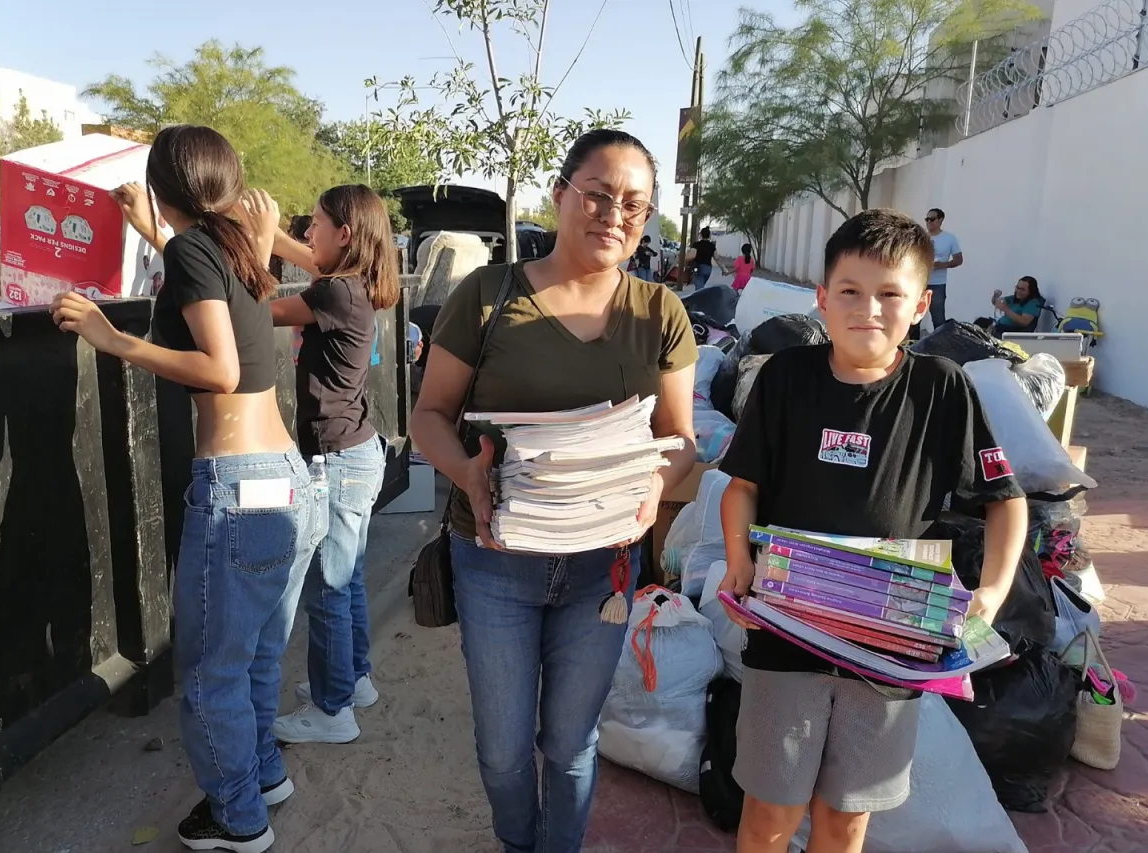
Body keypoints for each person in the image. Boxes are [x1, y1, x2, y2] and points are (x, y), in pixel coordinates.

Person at [410, 128, 697, 853]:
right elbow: (428, 416)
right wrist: (468, 472)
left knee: (571, 746)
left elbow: (682, 439)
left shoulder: (659, 313)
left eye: (634, 204)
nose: (613, 214)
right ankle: (519, 842)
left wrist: (653, 486)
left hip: (603, 571)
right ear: (561, 194)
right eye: (597, 195)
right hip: (496, 560)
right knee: (504, 750)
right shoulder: (488, 296)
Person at [717, 208, 1027, 853]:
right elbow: (742, 488)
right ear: (823, 298)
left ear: (920, 305)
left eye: (891, 294)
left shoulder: (942, 389)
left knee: (847, 819)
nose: (870, 310)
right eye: (851, 292)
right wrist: (737, 561)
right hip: (785, 632)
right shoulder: (784, 378)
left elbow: (1006, 500)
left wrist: (989, 595)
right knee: (769, 816)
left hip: (888, 649)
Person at [52, 124, 323, 853]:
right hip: (287, 480)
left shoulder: (195, 249)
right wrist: (155, 228)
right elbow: (215, 296)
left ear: (164, 188)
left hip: (239, 487)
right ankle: (264, 775)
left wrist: (115, 339)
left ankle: (239, 818)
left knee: (207, 676)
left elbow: (221, 368)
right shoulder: (234, 248)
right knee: (256, 656)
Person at [261, 184, 401, 745]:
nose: (306, 233)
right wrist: (259, 231)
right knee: (347, 581)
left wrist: (245, 252)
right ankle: (354, 678)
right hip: (356, 453)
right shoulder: (354, 282)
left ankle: (333, 710)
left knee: (328, 590)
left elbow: (259, 314)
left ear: (344, 235)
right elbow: (308, 258)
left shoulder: (335, 293)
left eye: (314, 223)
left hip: (338, 461)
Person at [916, 207, 962, 336]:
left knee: (938, 319)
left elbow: (959, 259)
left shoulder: (949, 238)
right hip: (920, 282)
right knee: (914, 317)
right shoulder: (921, 237)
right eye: (927, 219)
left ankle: (939, 347)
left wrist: (942, 265)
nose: (929, 222)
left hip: (938, 283)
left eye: (932, 219)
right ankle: (912, 346)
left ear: (940, 220)